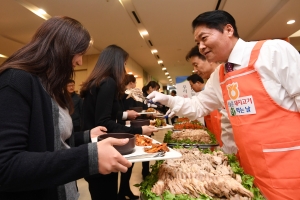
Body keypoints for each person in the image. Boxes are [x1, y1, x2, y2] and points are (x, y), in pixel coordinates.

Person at [147, 10, 300, 199]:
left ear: (228, 29)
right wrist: (168, 99)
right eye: (197, 43)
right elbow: (198, 106)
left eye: (204, 38)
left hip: (290, 167)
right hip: (249, 168)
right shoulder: (219, 75)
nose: (201, 47)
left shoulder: (272, 51)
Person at [0, 16, 132, 200]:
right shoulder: (16, 81)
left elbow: (52, 141)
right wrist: (88, 158)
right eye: (79, 54)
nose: (79, 62)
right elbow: (7, 166)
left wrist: (86, 136)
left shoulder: (50, 87)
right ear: (60, 48)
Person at [80, 45, 156, 200]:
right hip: (99, 149)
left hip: (92, 147)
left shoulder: (99, 81)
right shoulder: (108, 83)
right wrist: (140, 131)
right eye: (124, 63)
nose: (124, 68)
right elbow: (104, 123)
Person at [185, 45, 237, 151]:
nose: (194, 70)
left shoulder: (228, 77)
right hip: (220, 140)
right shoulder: (212, 82)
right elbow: (199, 107)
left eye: (196, 65)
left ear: (209, 59)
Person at [118, 74, 143, 200]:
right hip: (124, 129)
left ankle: (124, 189)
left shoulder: (124, 94)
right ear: (131, 82)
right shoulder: (123, 94)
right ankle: (123, 190)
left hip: (127, 128)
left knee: (129, 162)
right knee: (127, 162)